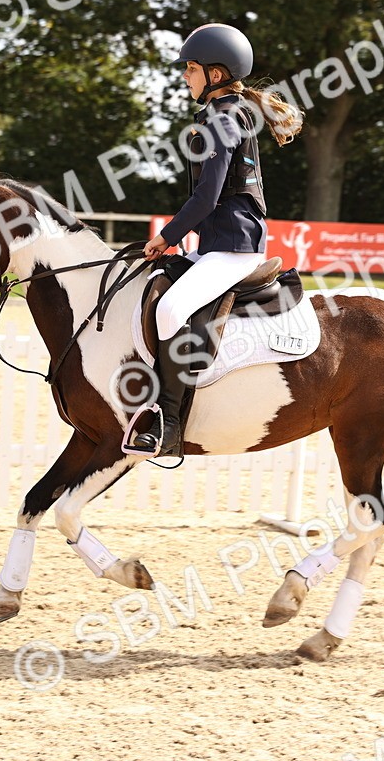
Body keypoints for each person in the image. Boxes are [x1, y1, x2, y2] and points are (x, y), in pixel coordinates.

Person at [129, 23, 303, 458]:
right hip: (216, 243)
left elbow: (207, 196)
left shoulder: (224, 118)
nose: (185, 77)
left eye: (191, 69)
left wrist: (166, 237)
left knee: (170, 310)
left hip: (232, 246)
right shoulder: (220, 114)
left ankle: (168, 423)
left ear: (217, 74)